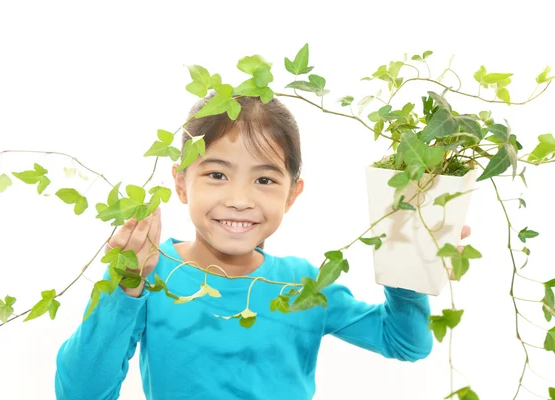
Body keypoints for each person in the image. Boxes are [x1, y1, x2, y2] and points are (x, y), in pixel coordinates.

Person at [54, 93, 471, 400]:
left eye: (265, 179)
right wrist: (127, 285)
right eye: (217, 174)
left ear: (292, 194)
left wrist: (410, 262)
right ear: (181, 182)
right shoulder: (154, 275)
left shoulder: (305, 285)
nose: (240, 198)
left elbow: (406, 342)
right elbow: (80, 393)